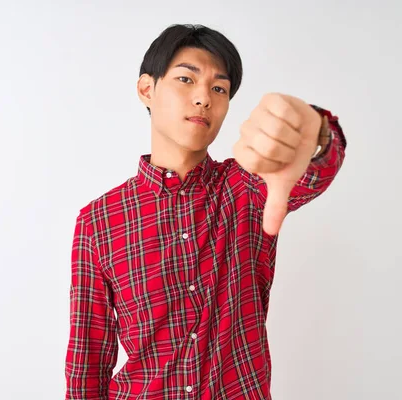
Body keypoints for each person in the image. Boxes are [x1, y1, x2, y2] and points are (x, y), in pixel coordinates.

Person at [64, 23, 347, 400]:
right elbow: (88, 358)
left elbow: (311, 171)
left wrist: (315, 134)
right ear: (147, 89)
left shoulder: (245, 186)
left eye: (219, 88)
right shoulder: (98, 221)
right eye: (186, 79)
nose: (204, 99)